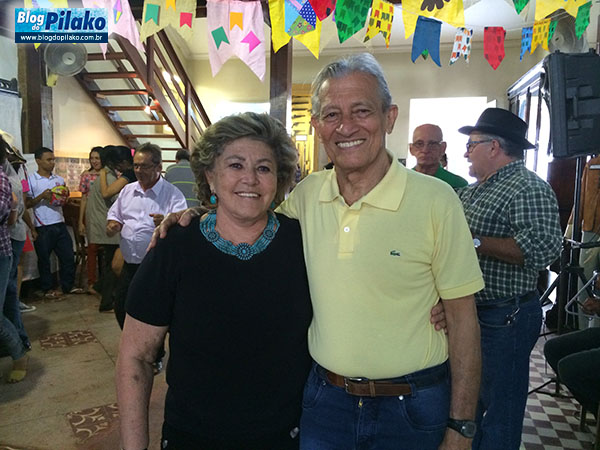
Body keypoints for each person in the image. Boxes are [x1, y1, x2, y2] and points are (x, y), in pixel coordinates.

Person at [153, 54, 483, 450]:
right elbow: (249, 217)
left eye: (362, 110)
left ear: (390, 117)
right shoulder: (307, 196)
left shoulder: (437, 200)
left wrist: (461, 426)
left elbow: (464, 320)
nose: (346, 126)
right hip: (326, 404)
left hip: (412, 406)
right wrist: (197, 215)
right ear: (317, 126)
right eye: (331, 115)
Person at [116, 113, 312, 450]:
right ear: (210, 175)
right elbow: (137, 356)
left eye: (264, 168)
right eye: (235, 165)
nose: (250, 179)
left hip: (285, 438)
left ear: (278, 179)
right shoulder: (176, 245)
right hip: (192, 437)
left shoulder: (303, 242)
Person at [457, 107, 563, 449]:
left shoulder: (527, 187)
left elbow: (543, 249)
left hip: (506, 316)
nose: (466, 153)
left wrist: (474, 241)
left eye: (471, 145)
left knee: (499, 409)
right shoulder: (474, 190)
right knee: (469, 401)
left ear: (494, 147)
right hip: (473, 312)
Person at [106, 143, 186, 329]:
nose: (138, 171)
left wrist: (166, 222)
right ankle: (132, 342)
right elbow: (115, 215)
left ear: (159, 167)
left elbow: (182, 226)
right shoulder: (128, 190)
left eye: (144, 166)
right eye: (136, 166)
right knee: (122, 307)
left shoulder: (172, 194)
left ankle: (154, 346)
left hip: (156, 265)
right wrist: (113, 224)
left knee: (153, 311)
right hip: (130, 264)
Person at [25, 147, 82, 297]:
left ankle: (68, 286)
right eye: (48, 160)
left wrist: (63, 198)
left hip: (59, 222)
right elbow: (26, 204)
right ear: (38, 161)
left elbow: (63, 201)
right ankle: (47, 289)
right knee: (44, 259)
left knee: (67, 256)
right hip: (42, 225)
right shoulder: (30, 180)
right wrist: (42, 197)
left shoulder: (59, 180)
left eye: (53, 160)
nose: (52, 163)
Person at [80, 147, 121, 312]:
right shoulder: (109, 178)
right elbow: (117, 201)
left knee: (110, 263)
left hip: (101, 224)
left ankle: (99, 288)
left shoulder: (104, 176)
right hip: (107, 226)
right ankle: (106, 301)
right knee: (113, 265)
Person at [0, 135, 26, 383]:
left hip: (7, 243)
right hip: (10, 238)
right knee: (8, 298)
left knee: (8, 298)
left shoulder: (5, 179)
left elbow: (11, 214)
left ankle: (19, 351)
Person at [410, 124, 468, 189]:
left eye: (432, 144)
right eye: (419, 144)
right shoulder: (404, 179)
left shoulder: (458, 184)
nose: (425, 150)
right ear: (411, 149)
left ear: (443, 148)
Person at [77, 147, 102, 294]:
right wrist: (81, 220)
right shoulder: (86, 175)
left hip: (105, 215)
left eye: (97, 158)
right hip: (91, 215)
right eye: (92, 158)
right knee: (92, 249)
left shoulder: (110, 175)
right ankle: (91, 282)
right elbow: (84, 199)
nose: (94, 161)